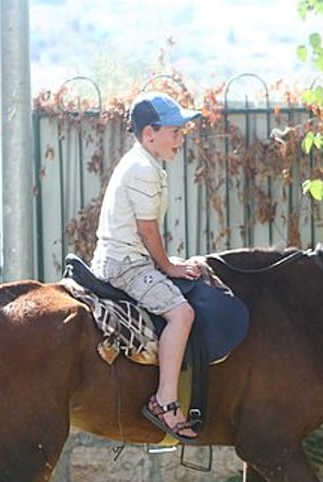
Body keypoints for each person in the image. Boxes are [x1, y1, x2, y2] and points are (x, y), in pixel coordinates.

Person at [91, 91, 204, 440]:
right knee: (182, 314)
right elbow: (147, 228)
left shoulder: (142, 163)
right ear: (149, 133)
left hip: (122, 256)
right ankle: (166, 400)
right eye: (174, 131)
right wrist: (168, 267)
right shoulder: (142, 168)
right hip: (125, 265)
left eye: (182, 131)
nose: (180, 139)